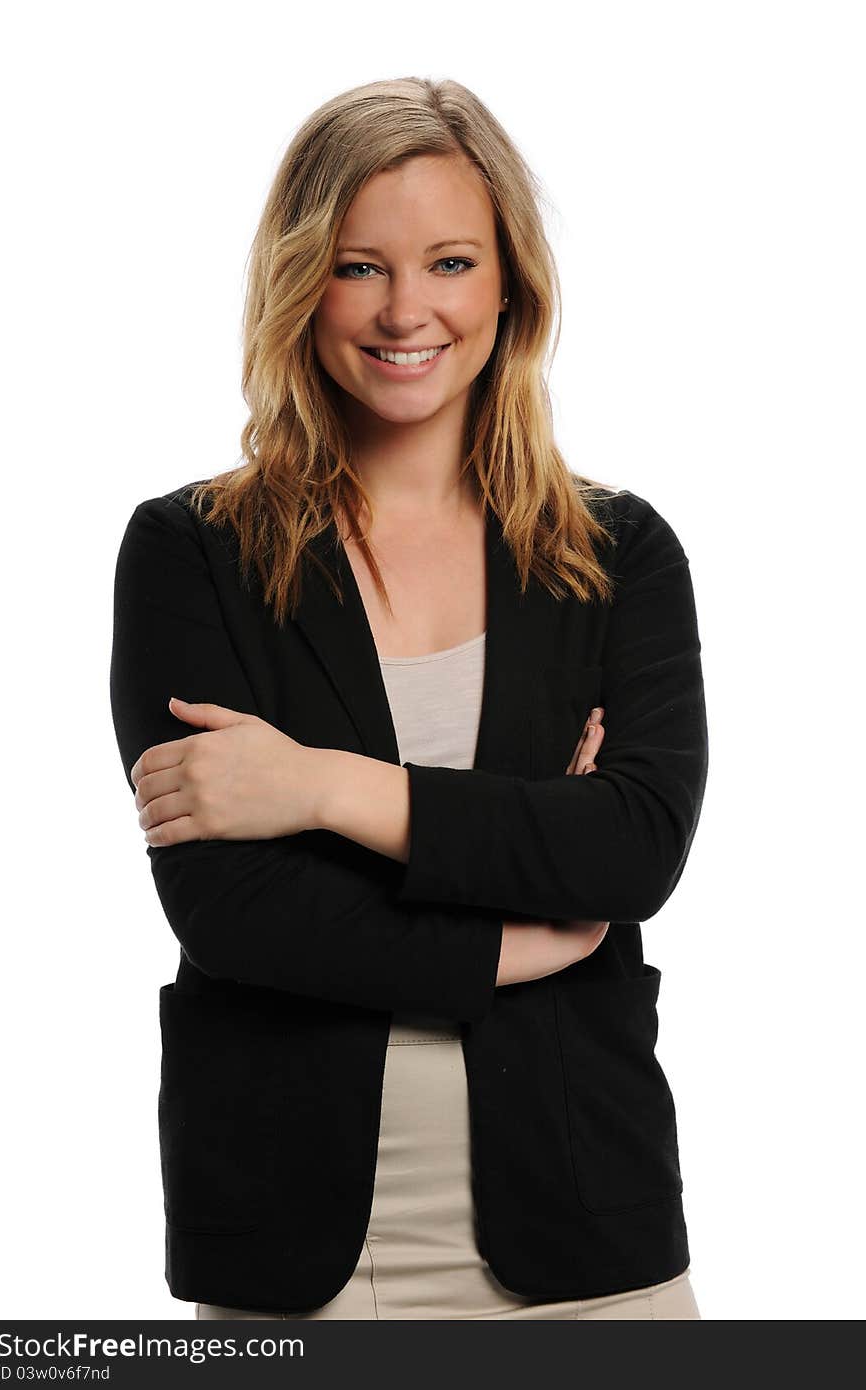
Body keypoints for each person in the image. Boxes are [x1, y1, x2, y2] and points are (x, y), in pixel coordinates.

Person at [109, 76, 708, 1320]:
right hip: (289, 1245)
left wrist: (321, 787)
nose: (406, 311)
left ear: (508, 285)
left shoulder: (618, 554)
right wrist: (515, 931)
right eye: (358, 266)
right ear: (300, 284)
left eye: (448, 261)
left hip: (587, 1243)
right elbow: (237, 912)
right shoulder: (190, 552)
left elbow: (629, 850)